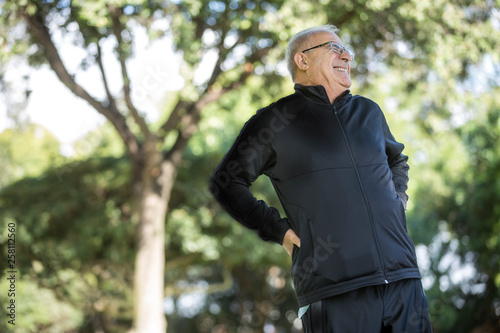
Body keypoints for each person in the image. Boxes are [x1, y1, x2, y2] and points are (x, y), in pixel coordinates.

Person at [209, 24, 432, 332]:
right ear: (303, 61)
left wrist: (397, 202)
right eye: (334, 48)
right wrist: (279, 231)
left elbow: (397, 159)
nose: (346, 56)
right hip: (333, 291)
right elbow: (226, 181)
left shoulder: (369, 112)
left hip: (404, 282)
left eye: (347, 51)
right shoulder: (274, 121)